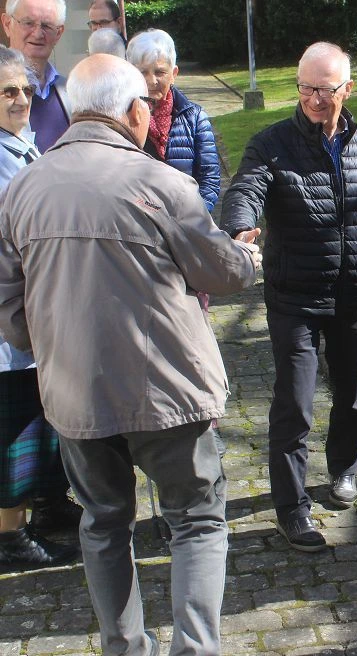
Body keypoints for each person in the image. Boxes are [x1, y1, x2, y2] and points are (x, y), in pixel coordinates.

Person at [0, 54, 260, 655]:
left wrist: (51, 343)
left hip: (75, 392)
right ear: (134, 111)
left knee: (103, 524)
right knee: (197, 519)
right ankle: (196, 648)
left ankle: (124, 648)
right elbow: (221, 272)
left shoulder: (24, 188)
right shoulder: (161, 183)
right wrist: (249, 257)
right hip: (167, 391)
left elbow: (9, 303)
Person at [221, 42, 357, 553]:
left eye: (325, 90)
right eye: (305, 89)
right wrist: (240, 227)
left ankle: (343, 468)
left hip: (355, 294)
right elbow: (245, 189)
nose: (315, 99)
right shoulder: (271, 144)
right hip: (295, 296)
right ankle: (291, 507)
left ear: (348, 89)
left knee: (353, 394)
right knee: (294, 404)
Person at [0, 45, 77, 572]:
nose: (21, 99)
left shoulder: (21, 142)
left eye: (26, 90)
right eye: (8, 91)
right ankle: (10, 534)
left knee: (37, 417)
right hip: (9, 319)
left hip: (32, 312)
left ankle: (44, 506)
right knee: (13, 429)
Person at [126, 29, 220, 212]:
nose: (152, 81)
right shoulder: (122, 117)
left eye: (159, 72)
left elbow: (209, 179)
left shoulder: (195, 117)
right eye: (143, 72)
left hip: (187, 221)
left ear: (173, 74)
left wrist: (192, 218)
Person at [1, 0, 69, 153]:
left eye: (46, 26)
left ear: (58, 33)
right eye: (28, 23)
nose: (38, 34)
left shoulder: (70, 91)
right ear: (7, 24)